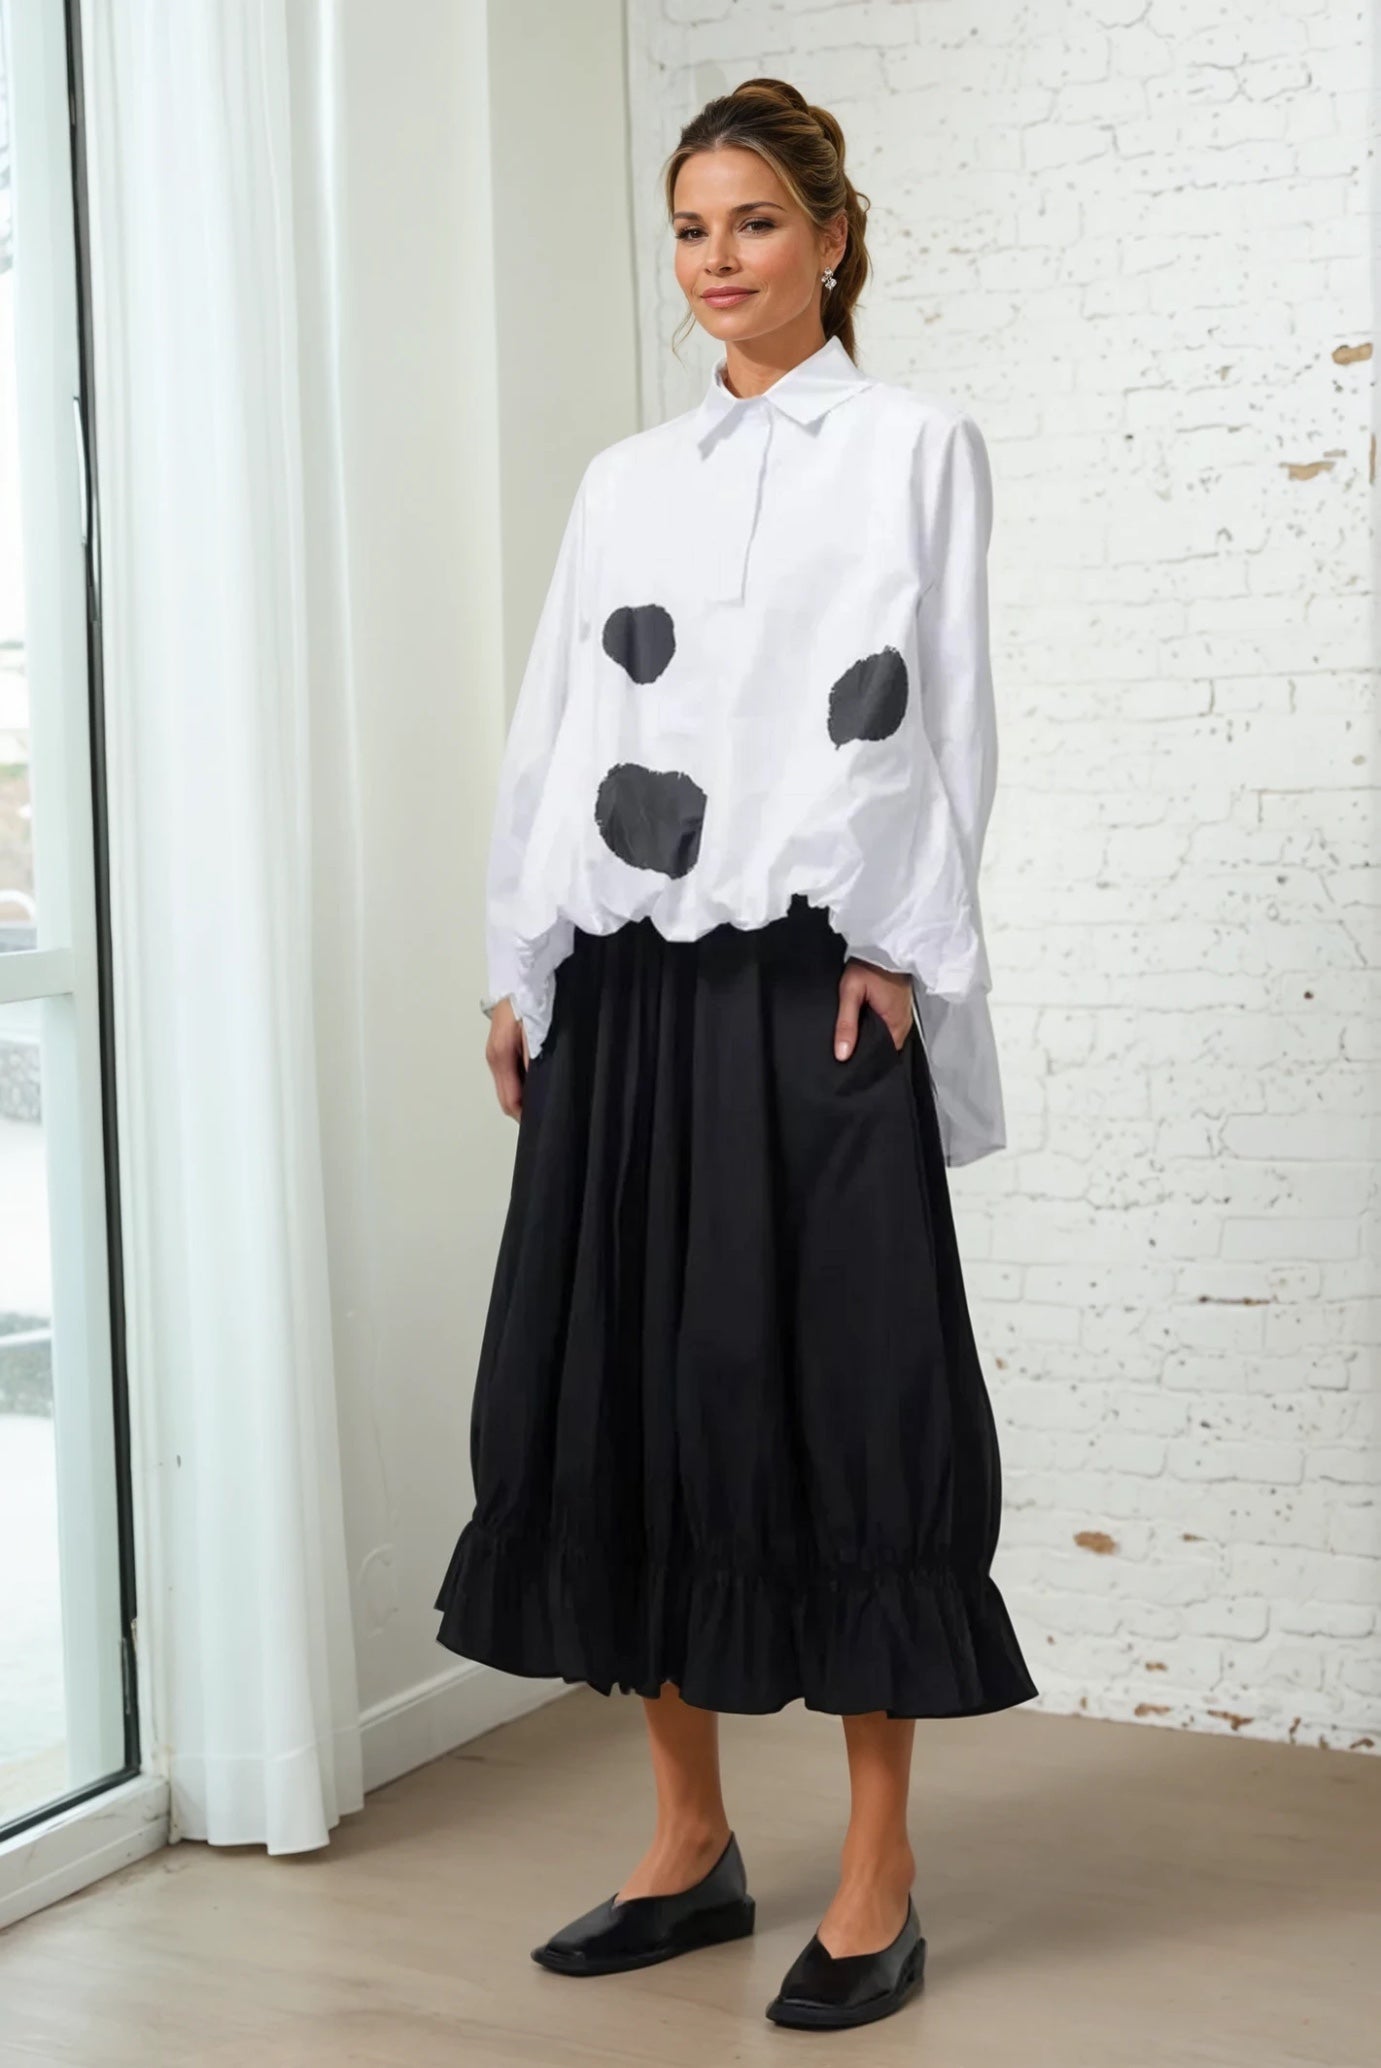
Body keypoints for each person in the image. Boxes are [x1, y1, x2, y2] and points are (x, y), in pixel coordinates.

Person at [434, 75, 1038, 2032]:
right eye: (690, 227)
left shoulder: (915, 446)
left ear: (833, 238)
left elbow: (941, 708)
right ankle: (686, 1840)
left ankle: (878, 1872)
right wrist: (519, 960)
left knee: (849, 1391)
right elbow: (559, 721)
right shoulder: (629, 478)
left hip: (808, 968)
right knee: (635, 1383)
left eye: (755, 221)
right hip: (626, 977)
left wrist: (898, 945)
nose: (717, 259)